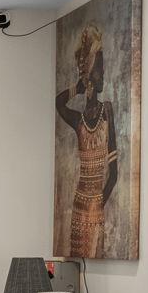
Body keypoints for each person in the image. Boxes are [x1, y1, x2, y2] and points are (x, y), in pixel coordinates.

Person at [55, 27, 118, 257]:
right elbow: (59, 102)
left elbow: (114, 173)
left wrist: (98, 206)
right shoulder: (79, 120)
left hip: (96, 203)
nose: (103, 73)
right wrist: (78, 87)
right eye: (99, 68)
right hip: (79, 204)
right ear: (90, 73)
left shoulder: (107, 112)